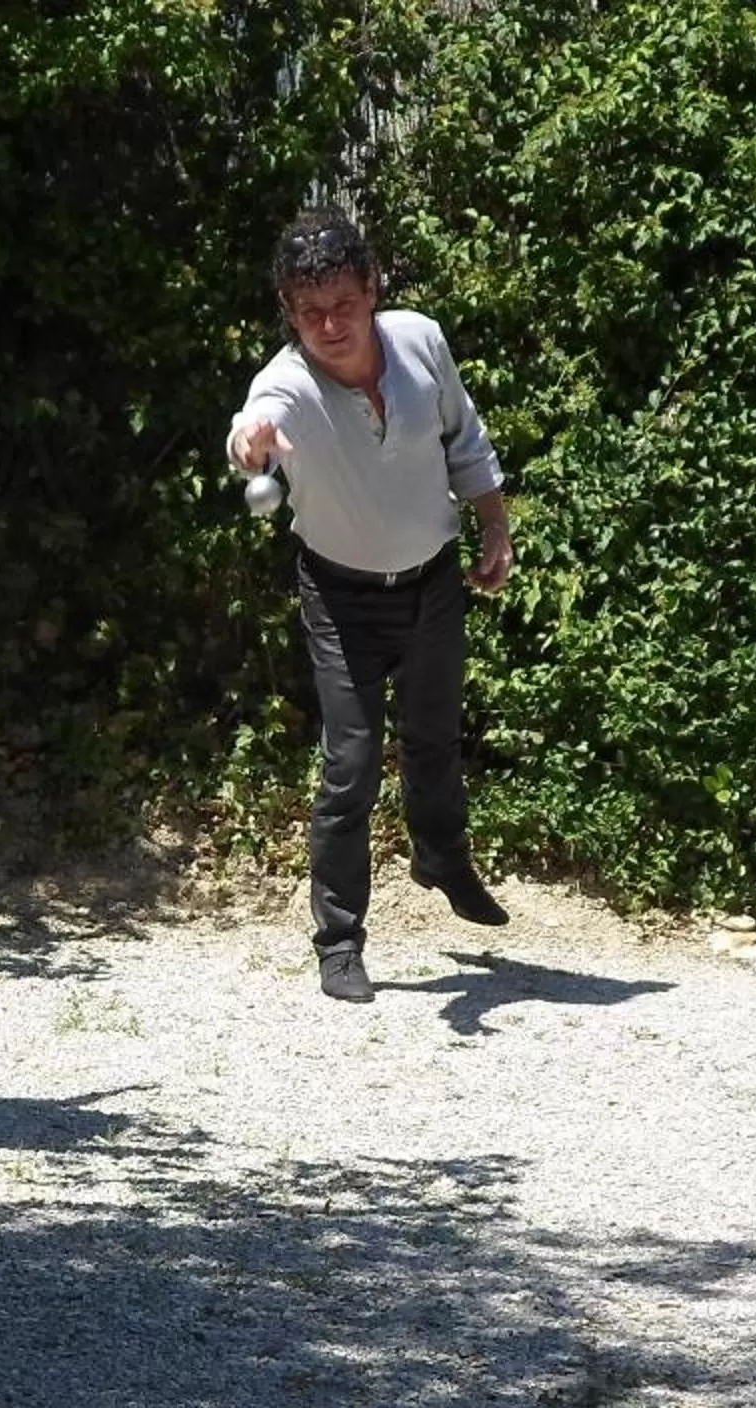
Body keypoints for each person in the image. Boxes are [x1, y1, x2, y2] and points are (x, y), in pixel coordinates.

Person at [228, 207, 513, 1004]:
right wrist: (250, 444)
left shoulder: (420, 341)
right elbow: (250, 429)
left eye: (343, 305)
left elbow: (464, 438)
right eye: (310, 312)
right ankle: (339, 942)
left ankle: (441, 858)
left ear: (373, 289)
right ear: (289, 312)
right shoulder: (286, 384)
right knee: (350, 765)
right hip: (341, 598)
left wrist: (494, 526)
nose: (329, 325)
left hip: (433, 581)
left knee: (435, 738)